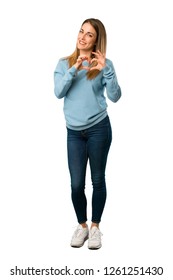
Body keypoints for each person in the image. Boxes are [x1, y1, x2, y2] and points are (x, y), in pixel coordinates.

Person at [54, 18, 121, 249]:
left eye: (89, 34)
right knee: (75, 184)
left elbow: (115, 96)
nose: (82, 37)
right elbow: (58, 92)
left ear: (96, 40)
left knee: (98, 179)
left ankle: (95, 228)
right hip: (74, 132)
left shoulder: (104, 64)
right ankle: (81, 226)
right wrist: (74, 67)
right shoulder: (64, 64)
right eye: (81, 31)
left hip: (99, 128)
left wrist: (108, 71)